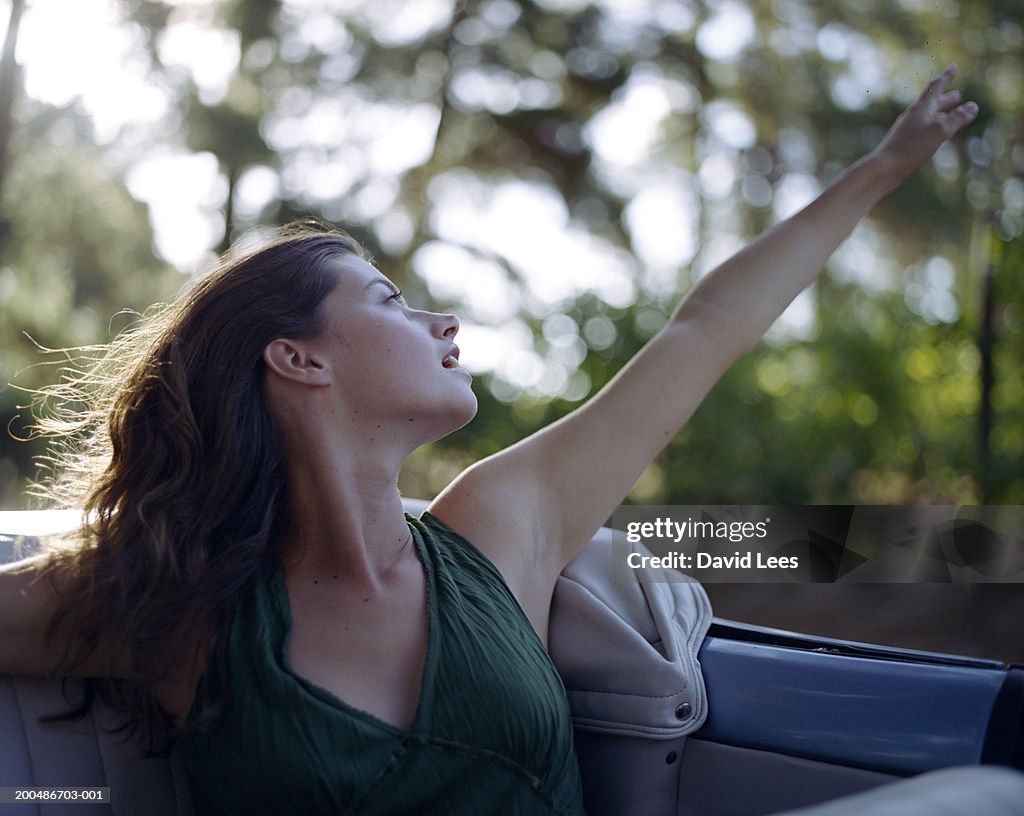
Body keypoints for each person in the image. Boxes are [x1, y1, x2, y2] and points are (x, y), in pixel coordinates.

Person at [0, 67, 979, 814]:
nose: (441, 321)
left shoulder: (501, 528)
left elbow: (701, 333)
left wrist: (880, 169)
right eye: (389, 299)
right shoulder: (172, 594)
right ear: (296, 359)